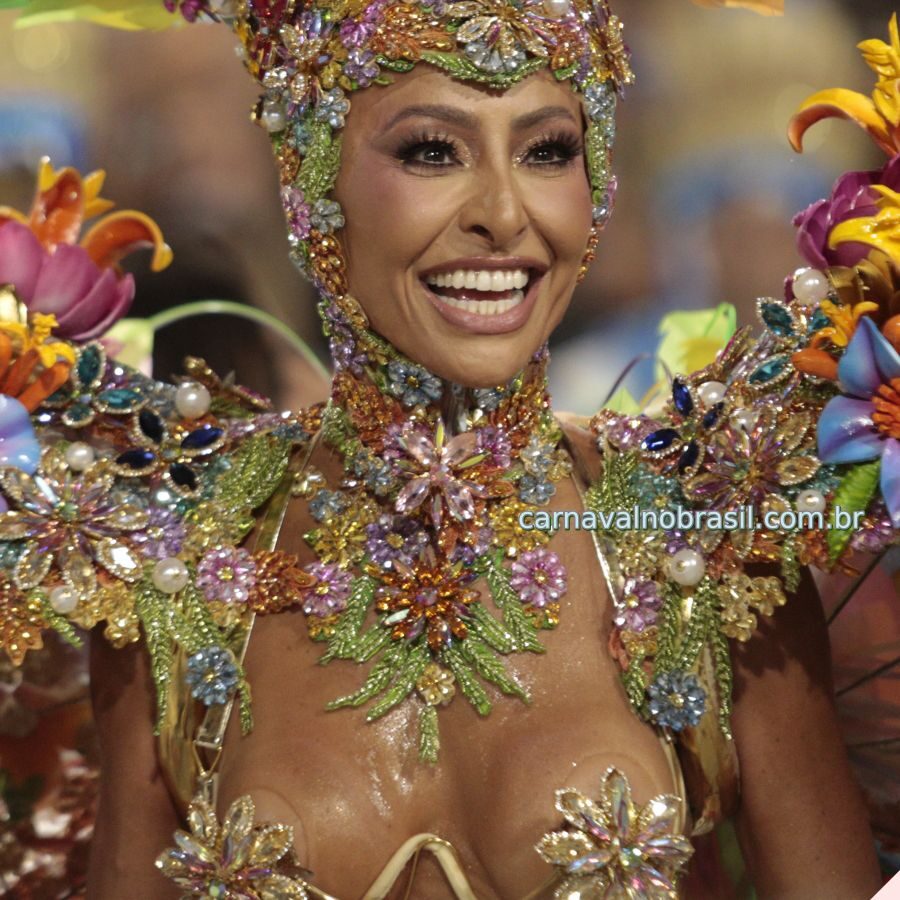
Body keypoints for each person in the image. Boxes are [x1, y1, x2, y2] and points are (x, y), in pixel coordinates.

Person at [0, 0, 897, 897]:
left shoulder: (702, 544)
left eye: (548, 151)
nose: (505, 214)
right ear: (312, 182)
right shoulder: (184, 555)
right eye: (433, 151)